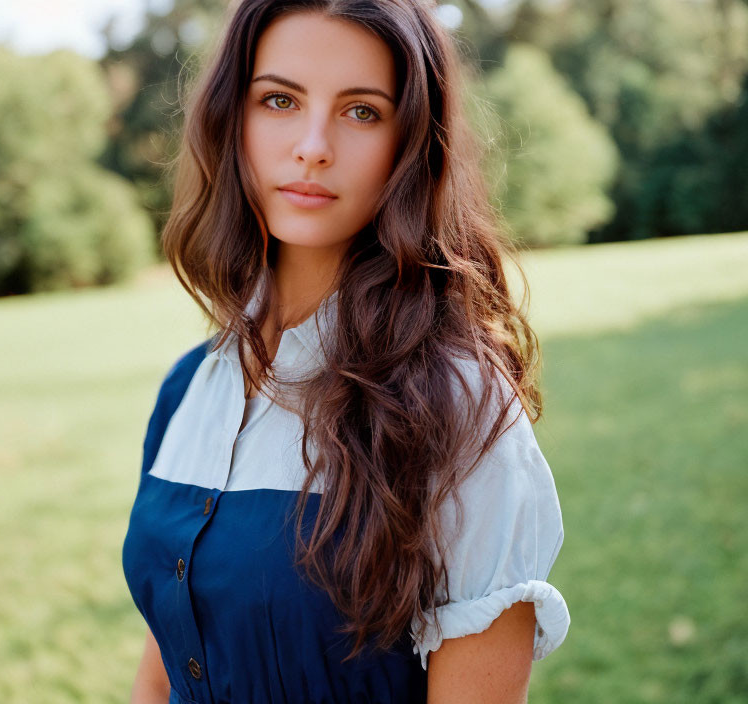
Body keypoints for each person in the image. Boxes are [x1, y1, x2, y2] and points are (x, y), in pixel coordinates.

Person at [122, 1, 570, 702]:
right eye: (278, 100)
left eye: (362, 111)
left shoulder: (459, 406)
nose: (311, 145)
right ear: (230, 120)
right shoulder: (191, 387)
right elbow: (161, 673)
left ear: (410, 145)